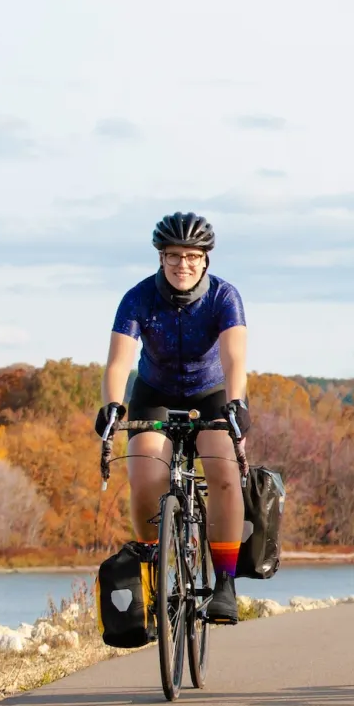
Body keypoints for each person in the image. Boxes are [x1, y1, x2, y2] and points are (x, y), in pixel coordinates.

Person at [95, 212, 251, 624]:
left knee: (222, 471)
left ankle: (225, 585)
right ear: (161, 258)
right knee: (145, 474)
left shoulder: (223, 296)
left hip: (212, 393)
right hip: (155, 393)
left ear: (205, 260)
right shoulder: (138, 298)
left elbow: (234, 357)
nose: (183, 264)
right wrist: (113, 405)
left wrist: (236, 403)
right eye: (173, 256)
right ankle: (152, 575)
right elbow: (118, 363)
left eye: (191, 256)